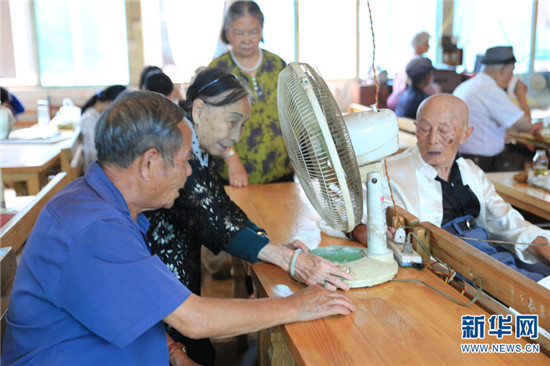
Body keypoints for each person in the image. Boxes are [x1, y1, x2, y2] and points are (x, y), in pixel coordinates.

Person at [1, 91, 356, 366]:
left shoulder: (100, 203)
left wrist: (171, 349)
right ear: (150, 163)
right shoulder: (93, 228)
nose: (189, 172)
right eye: (186, 159)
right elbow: (195, 318)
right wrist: (299, 305)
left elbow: (126, 297)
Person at [145, 67, 353, 365]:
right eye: (232, 121)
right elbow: (212, 221)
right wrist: (287, 259)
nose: (237, 136)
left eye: (243, 125)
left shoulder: (197, 146)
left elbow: (222, 205)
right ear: (200, 109)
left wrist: (271, 245)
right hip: (158, 293)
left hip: (176, 284)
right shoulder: (179, 151)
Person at [349, 94, 550, 285]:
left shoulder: (471, 171)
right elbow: (345, 210)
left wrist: (542, 248)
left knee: (541, 270)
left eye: (444, 130)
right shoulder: (388, 171)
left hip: (488, 251)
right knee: (534, 286)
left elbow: (507, 221)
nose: (432, 139)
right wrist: (360, 231)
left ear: (465, 134)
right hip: (452, 264)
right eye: (424, 129)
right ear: (416, 128)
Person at [209, 0, 293, 187]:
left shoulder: (278, 65)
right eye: (239, 32)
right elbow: (210, 121)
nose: (246, 39)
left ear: (261, 30)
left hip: (281, 170)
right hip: (234, 174)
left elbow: (295, 112)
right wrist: (231, 160)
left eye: (253, 31)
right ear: (227, 33)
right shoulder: (218, 70)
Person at [453, 46, 544, 172]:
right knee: (529, 170)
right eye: (512, 72)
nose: (511, 77)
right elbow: (526, 125)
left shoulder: (465, 86)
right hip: (483, 164)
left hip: (462, 160)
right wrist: (521, 95)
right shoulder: (489, 90)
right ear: (504, 70)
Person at [387, 31, 441, 111]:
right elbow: (426, 87)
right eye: (426, 43)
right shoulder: (419, 63)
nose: (429, 46)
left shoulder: (410, 60)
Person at [80, 85, 127, 171]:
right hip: (96, 170)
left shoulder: (97, 115)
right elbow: (93, 153)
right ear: (110, 103)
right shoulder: (89, 119)